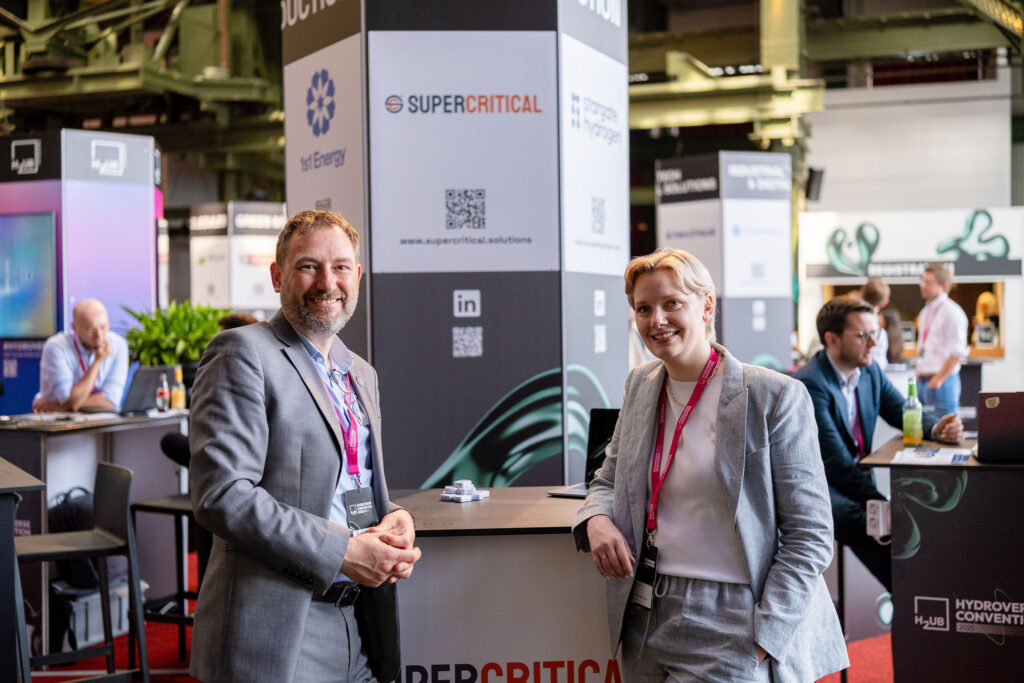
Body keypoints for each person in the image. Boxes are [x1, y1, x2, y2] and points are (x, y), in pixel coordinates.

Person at [573, 248, 847, 682]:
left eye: (672, 303)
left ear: (706, 306)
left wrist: (767, 633)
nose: (656, 320)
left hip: (735, 616)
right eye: (643, 309)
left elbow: (810, 534)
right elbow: (606, 481)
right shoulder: (640, 385)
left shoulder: (773, 396)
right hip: (644, 613)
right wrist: (597, 522)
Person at [188, 209, 421, 683]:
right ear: (278, 276)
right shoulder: (243, 352)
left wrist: (394, 516)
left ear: (357, 277)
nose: (327, 282)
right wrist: (342, 552)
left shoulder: (360, 373)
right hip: (277, 630)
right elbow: (223, 495)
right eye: (308, 266)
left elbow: (344, 484)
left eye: (340, 267)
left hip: (358, 622)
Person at [795, 297, 962, 591]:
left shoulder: (869, 371)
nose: (874, 343)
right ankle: (911, 596)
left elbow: (902, 411)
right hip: (821, 488)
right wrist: (884, 505)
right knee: (874, 524)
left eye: (876, 333)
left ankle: (914, 596)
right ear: (832, 339)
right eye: (863, 335)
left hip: (855, 480)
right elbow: (836, 464)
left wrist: (937, 428)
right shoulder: (811, 383)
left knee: (900, 523)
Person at [32, 298, 129, 412]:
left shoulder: (119, 345)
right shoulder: (56, 347)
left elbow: (111, 401)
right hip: (57, 419)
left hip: (98, 419)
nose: (99, 336)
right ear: (74, 327)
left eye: (103, 327)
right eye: (91, 330)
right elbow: (68, 400)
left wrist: (61, 405)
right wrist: (97, 362)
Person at [916, 262, 969, 416]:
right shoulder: (925, 312)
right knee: (923, 428)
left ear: (943, 285)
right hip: (922, 381)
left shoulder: (952, 312)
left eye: (928, 282)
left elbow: (958, 352)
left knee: (946, 427)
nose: (923, 286)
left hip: (942, 383)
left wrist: (939, 379)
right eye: (922, 281)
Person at [860, 278, 891, 370]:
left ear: (861, 296)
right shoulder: (881, 334)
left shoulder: (851, 324)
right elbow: (881, 364)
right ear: (885, 302)